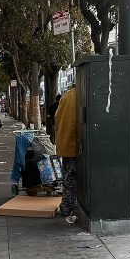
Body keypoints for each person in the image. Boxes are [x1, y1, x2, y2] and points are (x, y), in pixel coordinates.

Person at [54, 85, 78, 218]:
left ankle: (66, 206)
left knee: (69, 178)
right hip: (77, 144)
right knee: (74, 178)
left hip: (66, 144)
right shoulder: (83, 96)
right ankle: (71, 207)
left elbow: (57, 118)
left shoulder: (67, 96)